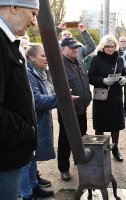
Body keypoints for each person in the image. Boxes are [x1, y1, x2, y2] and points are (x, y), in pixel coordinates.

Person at [0, 1, 39, 199]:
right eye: (33, 13)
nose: (34, 22)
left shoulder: (7, 42)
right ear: (13, 7)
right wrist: (25, 131)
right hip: (5, 157)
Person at [19, 43, 56, 200]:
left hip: (39, 121)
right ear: (31, 57)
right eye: (43, 55)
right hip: (30, 122)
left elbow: (49, 92)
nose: (47, 58)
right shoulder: (29, 74)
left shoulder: (41, 72)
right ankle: (27, 195)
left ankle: (34, 187)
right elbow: (38, 101)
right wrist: (60, 97)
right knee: (26, 162)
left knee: (32, 158)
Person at [88, 35, 126, 162]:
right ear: (102, 47)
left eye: (113, 46)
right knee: (100, 126)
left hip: (115, 97)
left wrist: (124, 79)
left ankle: (115, 149)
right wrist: (103, 80)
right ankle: (99, 150)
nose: (110, 49)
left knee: (115, 126)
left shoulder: (119, 59)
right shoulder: (96, 59)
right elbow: (90, 78)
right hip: (101, 97)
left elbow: (124, 73)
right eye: (107, 46)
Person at [58, 37, 92, 181]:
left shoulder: (79, 62)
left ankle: (79, 158)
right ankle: (64, 168)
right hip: (68, 110)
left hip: (82, 108)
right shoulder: (59, 65)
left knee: (82, 135)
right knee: (65, 139)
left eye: (77, 47)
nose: (76, 50)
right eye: (72, 47)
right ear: (62, 49)